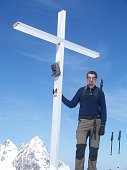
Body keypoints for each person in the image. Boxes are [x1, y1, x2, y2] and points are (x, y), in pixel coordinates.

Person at [62, 71, 107, 170]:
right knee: (80, 149)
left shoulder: (100, 92)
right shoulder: (81, 91)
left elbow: (104, 109)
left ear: (96, 79)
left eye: (93, 78)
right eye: (89, 77)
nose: (91, 80)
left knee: (94, 150)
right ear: (86, 79)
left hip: (96, 123)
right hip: (83, 123)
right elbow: (71, 104)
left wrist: (103, 125)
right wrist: (60, 96)